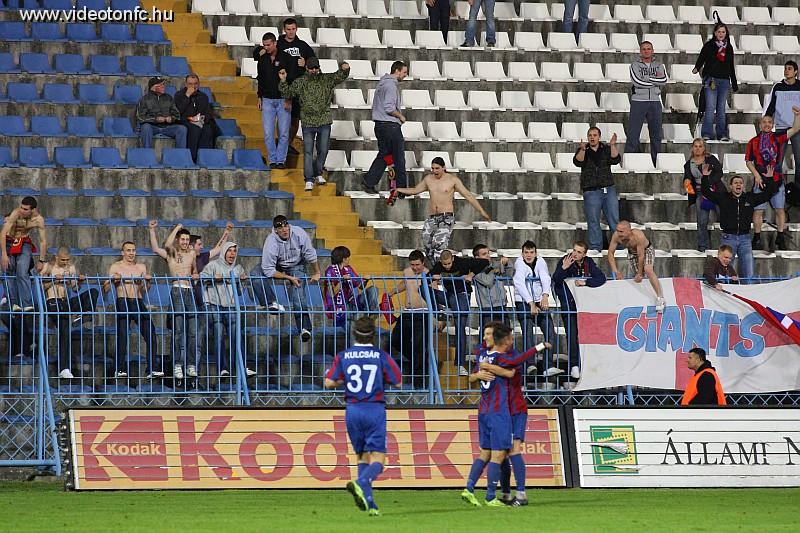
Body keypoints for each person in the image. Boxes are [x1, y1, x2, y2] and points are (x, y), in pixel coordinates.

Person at [324, 316, 402, 517]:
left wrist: (344, 381)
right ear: (373, 335)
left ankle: (370, 504)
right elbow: (398, 382)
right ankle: (361, 482)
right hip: (374, 409)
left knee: (361, 456)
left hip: (353, 410)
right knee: (379, 458)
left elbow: (329, 382)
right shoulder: (380, 356)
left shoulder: (344, 356)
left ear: (354, 334)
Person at [460, 322, 515, 507]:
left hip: (484, 410)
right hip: (498, 411)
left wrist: (479, 373)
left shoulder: (483, 355)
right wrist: (479, 374)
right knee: (498, 455)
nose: (485, 337)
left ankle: (469, 489)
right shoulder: (501, 356)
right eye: (485, 334)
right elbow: (510, 373)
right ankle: (491, 497)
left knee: (485, 452)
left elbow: (471, 377)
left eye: (488, 334)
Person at [395, 157, 491, 262]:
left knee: (439, 246)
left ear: (443, 167)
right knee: (427, 246)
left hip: (446, 217)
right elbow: (415, 190)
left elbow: (467, 195)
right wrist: (399, 189)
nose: (434, 171)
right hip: (432, 217)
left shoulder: (452, 180)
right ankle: (437, 268)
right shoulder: (428, 179)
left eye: (437, 168)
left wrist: (481, 211)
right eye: (432, 168)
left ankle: (441, 269)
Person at [278, 58, 350, 191]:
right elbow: (288, 93)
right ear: (306, 68)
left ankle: (318, 172)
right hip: (308, 122)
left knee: (323, 150)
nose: (314, 70)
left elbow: (340, 75)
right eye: (311, 68)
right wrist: (283, 81)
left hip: (324, 121)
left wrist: (345, 68)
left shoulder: (326, 79)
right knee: (308, 151)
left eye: (316, 68)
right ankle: (309, 179)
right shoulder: (301, 81)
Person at [252, 215, 320, 341]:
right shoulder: (271, 241)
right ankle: (271, 303)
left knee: (298, 294)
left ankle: (304, 328)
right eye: (280, 228)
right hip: (278, 263)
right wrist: (288, 277)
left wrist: (317, 272)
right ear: (275, 230)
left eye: (285, 226)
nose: (284, 230)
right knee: (255, 273)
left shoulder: (299, 233)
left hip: (297, 264)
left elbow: (310, 254)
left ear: (288, 225)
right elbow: (268, 269)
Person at [701, 173, 777, 281]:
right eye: (736, 183)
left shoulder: (749, 198)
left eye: (740, 183)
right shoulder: (723, 197)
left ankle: (747, 290)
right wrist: (705, 177)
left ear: (743, 186)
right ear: (730, 186)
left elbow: (767, 195)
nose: (738, 184)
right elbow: (706, 192)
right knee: (723, 271)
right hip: (728, 239)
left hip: (745, 239)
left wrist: (769, 179)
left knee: (749, 273)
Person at [104, 242, 162, 378]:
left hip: (138, 301)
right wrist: (113, 280)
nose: (131, 253)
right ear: (122, 252)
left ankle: (152, 368)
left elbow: (145, 290)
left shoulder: (141, 267)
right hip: (123, 300)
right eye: (128, 250)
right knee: (123, 335)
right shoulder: (116, 266)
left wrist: (147, 282)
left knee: (151, 333)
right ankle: (119, 368)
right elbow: (105, 289)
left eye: (133, 250)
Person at [149, 221, 198, 380]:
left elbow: (195, 270)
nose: (185, 242)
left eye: (187, 240)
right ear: (178, 240)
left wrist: (195, 275)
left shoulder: (192, 253)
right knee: (178, 330)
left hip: (190, 291)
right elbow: (159, 247)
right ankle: (177, 364)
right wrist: (155, 229)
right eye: (182, 239)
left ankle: (190, 365)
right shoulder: (171, 253)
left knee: (192, 331)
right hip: (177, 290)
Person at [746, 107, 800, 251]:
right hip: (760, 180)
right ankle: (757, 237)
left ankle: (780, 237)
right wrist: (757, 175)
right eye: (764, 122)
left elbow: (795, 129)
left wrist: (797, 116)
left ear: (773, 124)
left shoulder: (778, 137)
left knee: (780, 209)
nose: (767, 124)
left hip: (776, 179)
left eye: (769, 122)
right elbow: (748, 161)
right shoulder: (753, 141)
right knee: (758, 211)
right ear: (760, 125)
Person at [40, 247, 99, 379]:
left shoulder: (71, 268)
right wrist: (54, 280)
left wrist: (80, 281)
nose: (65, 262)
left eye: (67, 260)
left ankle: (85, 315)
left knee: (93, 292)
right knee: (65, 332)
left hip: (65, 302)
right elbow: (40, 286)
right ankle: (64, 368)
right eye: (63, 260)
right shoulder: (48, 267)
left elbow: (75, 288)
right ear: (56, 257)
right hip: (53, 302)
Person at [551, 240, 606, 379]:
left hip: (585, 306)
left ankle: (587, 365)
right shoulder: (565, 260)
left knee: (587, 335)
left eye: (579, 252)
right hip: (568, 305)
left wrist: (586, 282)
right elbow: (556, 280)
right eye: (574, 250)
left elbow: (601, 278)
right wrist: (564, 268)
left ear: (584, 254)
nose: (575, 254)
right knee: (572, 335)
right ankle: (574, 365)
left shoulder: (589, 262)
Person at [430, 250, 490, 375]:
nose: (447, 266)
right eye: (445, 264)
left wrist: (471, 274)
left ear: (453, 259)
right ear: (441, 262)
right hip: (449, 296)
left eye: (449, 263)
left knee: (460, 328)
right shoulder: (439, 266)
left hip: (462, 296)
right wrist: (433, 278)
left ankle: (460, 364)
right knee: (422, 289)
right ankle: (439, 312)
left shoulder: (462, 262)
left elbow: (484, 262)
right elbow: (427, 277)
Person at [201, 241, 254, 377]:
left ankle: (242, 367)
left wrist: (242, 281)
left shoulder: (238, 268)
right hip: (214, 305)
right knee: (218, 335)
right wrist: (213, 278)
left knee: (237, 336)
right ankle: (222, 368)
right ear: (224, 252)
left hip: (231, 306)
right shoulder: (213, 265)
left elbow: (240, 292)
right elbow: (201, 279)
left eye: (234, 251)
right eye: (229, 250)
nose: (232, 254)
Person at [361, 61, 409, 195]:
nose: (406, 75)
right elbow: (389, 107)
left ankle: (369, 180)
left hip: (380, 125)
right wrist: (400, 116)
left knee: (385, 155)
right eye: (404, 72)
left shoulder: (382, 83)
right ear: (397, 71)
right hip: (390, 126)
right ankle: (401, 189)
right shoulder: (391, 85)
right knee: (398, 157)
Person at [512, 241, 557, 376]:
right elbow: (519, 282)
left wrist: (545, 295)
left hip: (538, 299)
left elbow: (545, 277)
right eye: (526, 252)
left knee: (550, 330)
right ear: (522, 253)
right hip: (523, 301)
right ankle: (530, 364)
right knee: (528, 331)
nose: (529, 255)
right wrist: (531, 303)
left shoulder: (541, 261)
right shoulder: (519, 263)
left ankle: (548, 366)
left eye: (531, 252)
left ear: (536, 253)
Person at [573, 126, 621, 252]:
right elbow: (578, 162)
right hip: (591, 191)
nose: (592, 137)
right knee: (593, 221)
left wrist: (612, 145)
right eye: (590, 135)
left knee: (614, 219)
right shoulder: (583, 149)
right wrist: (582, 150)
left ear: (599, 137)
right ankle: (595, 247)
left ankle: (619, 247)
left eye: (594, 135)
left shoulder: (606, 148)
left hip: (608, 189)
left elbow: (616, 159)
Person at [387, 250, 430, 388]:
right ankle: (417, 361)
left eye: (417, 264)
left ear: (423, 262)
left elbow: (434, 292)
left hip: (421, 313)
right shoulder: (407, 272)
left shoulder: (428, 274)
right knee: (396, 340)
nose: (415, 267)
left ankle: (419, 383)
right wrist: (391, 293)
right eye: (412, 265)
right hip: (407, 312)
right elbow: (405, 284)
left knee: (419, 347)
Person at [693, 18, 738, 141]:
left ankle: (721, 134)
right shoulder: (709, 45)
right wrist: (697, 67)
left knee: (721, 108)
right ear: (715, 33)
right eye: (719, 32)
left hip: (724, 81)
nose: (721, 34)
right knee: (710, 107)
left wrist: (734, 82)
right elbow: (701, 57)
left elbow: (731, 66)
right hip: (711, 80)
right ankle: (707, 133)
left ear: (726, 33)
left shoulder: (729, 48)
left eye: (723, 32)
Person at [254, 32, 294, 169]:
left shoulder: (286, 58)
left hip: (283, 99)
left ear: (275, 43)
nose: (266, 48)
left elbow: (291, 79)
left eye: (268, 45)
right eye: (264, 45)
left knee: (284, 133)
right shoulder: (262, 59)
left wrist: (289, 98)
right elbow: (260, 79)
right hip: (267, 99)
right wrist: (259, 96)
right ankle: (272, 159)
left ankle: (281, 160)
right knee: (268, 133)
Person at [277, 18, 317, 155]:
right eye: (288, 29)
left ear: (296, 29)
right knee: (282, 118)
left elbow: (314, 63)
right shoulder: (278, 44)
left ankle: (287, 144)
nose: (291, 32)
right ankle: (281, 143)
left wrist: (306, 64)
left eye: (293, 29)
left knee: (295, 119)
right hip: (282, 87)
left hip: (299, 89)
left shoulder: (302, 45)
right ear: (284, 30)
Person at [1, 196, 47, 311]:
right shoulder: (16, 214)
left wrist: (41, 260)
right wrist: (4, 255)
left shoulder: (38, 220)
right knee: (9, 270)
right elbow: (3, 233)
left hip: (23, 242)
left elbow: (43, 241)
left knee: (22, 271)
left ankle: (27, 305)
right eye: (21, 207)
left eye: (25, 209)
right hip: (9, 242)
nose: (22, 210)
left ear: (33, 209)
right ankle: (14, 304)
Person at [608, 221, 665, 312]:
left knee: (648, 269)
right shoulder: (616, 236)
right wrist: (616, 271)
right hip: (632, 252)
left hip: (646, 250)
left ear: (629, 231)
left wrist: (640, 273)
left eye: (621, 232)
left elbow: (641, 256)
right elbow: (610, 253)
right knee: (638, 279)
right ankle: (644, 300)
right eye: (617, 231)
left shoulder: (638, 236)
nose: (619, 234)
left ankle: (660, 298)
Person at [626, 41, 668, 164]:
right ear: (640, 51)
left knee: (656, 135)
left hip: (655, 102)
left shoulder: (659, 65)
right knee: (633, 133)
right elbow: (637, 82)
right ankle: (630, 161)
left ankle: (656, 162)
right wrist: (654, 81)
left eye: (648, 49)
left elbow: (664, 80)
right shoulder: (634, 65)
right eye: (644, 49)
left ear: (652, 51)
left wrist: (647, 78)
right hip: (638, 102)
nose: (646, 51)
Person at [322, 245, 379, 328]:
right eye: (348, 257)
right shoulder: (330, 270)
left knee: (373, 289)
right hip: (340, 305)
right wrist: (341, 280)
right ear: (344, 259)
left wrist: (365, 280)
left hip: (353, 302)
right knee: (350, 325)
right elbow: (331, 293)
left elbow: (360, 286)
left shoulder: (349, 269)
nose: (349, 259)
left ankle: (372, 315)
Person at [683, 138, 724, 251]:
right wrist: (687, 183)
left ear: (704, 148)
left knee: (723, 217)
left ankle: (726, 244)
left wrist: (708, 182)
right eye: (695, 146)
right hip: (700, 192)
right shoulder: (688, 164)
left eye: (700, 146)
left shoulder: (711, 159)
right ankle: (703, 246)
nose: (698, 148)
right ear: (692, 148)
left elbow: (719, 172)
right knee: (701, 221)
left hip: (715, 190)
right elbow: (687, 178)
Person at [764, 60, 800, 185]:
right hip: (781, 128)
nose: (786, 71)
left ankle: (797, 190)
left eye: (789, 68)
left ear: (796, 72)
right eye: (785, 68)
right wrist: (767, 122)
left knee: (799, 161)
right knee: (777, 161)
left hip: (797, 128)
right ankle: (777, 188)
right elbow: (771, 106)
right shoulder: (777, 86)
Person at [173, 73, 216, 162]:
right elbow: (177, 112)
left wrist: (203, 118)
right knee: (194, 129)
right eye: (190, 84)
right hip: (184, 121)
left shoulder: (203, 96)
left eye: (195, 84)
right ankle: (192, 158)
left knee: (207, 129)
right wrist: (187, 96)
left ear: (199, 84)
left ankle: (204, 158)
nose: (193, 86)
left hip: (200, 121)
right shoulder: (179, 95)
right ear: (186, 84)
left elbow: (208, 112)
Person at [136, 76, 187, 149]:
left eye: (163, 84)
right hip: (152, 127)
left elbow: (177, 115)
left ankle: (180, 153)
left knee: (182, 129)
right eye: (160, 85)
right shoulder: (144, 99)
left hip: (167, 127)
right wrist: (155, 119)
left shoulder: (169, 98)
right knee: (146, 127)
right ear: (153, 87)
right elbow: (140, 117)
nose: (163, 86)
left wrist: (171, 118)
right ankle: (147, 152)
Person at [190, 222, 234, 306]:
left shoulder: (202, 257)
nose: (202, 247)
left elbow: (218, 248)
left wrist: (227, 232)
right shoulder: (182, 258)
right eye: (199, 245)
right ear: (191, 246)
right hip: (186, 296)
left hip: (200, 297)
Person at [471, 244, 512, 333]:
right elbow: (487, 281)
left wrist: (506, 262)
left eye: (488, 253)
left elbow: (511, 271)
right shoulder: (475, 270)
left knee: (505, 333)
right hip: (487, 307)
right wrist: (493, 271)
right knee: (487, 335)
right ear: (477, 258)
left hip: (501, 304)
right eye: (484, 254)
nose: (488, 256)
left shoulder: (494, 264)